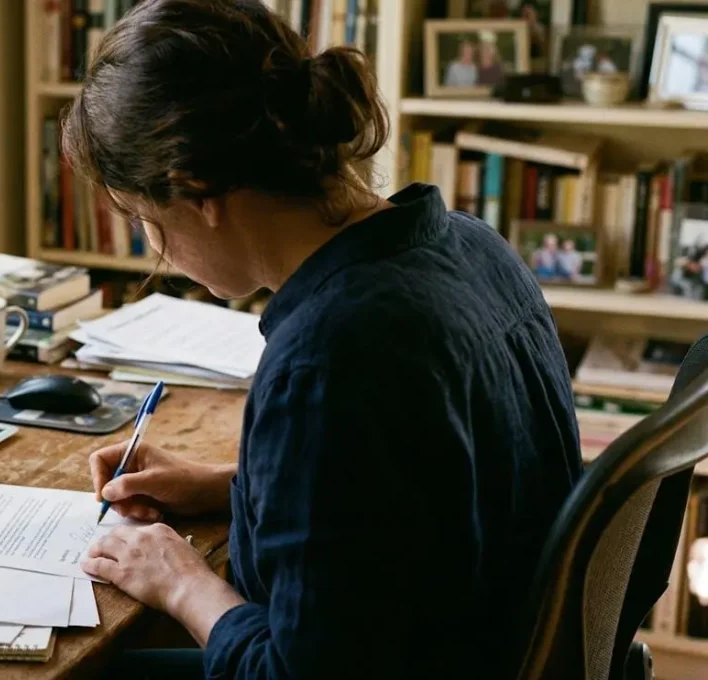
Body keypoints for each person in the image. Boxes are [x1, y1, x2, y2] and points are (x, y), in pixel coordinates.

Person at [62, 1, 582, 678]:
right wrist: (236, 487)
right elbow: (423, 486)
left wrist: (181, 582)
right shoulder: (472, 245)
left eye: (142, 218)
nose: (154, 246)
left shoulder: (328, 360)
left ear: (198, 191)